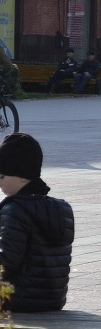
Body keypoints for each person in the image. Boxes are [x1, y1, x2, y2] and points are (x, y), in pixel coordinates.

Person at [0, 133, 74, 312]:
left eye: (2, 177)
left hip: (17, 301)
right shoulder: (62, 209)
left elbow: (5, 262)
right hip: (53, 300)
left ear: (22, 176)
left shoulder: (15, 210)